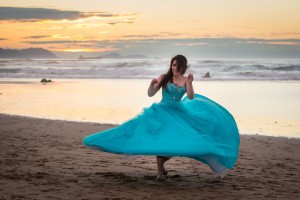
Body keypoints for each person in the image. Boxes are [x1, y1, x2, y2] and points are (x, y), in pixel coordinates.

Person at [83, 55, 240, 181]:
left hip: (179, 113)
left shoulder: (185, 80)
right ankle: (159, 173)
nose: (175, 68)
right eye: (173, 65)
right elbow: (151, 94)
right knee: (158, 139)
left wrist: (190, 83)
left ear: (183, 67)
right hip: (162, 112)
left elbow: (191, 97)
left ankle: (162, 167)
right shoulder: (165, 77)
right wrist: (151, 85)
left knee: (177, 142)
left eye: (178, 66)